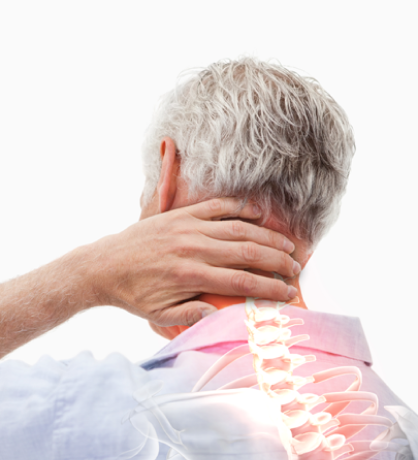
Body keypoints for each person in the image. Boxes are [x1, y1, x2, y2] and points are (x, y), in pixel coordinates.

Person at [0, 57, 416, 459]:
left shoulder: (78, 412)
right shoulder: (405, 426)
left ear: (167, 174)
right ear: (316, 217)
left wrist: (87, 274)